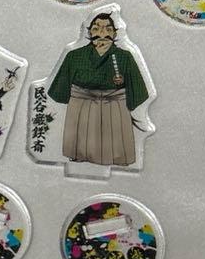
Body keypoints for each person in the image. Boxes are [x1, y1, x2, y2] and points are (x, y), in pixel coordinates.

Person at [46, 12, 149, 167]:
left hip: (115, 105)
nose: (102, 33)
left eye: (108, 29)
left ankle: (117, 158)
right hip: (81, 105)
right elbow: (60, 91)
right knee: (82, 146)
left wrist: (124, 85)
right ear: (89, 33)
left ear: (115, 34)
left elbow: (138, 88)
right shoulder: (75, 56)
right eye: (96, 28)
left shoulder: (124, 56)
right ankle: (80, 155)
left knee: (114, 144)